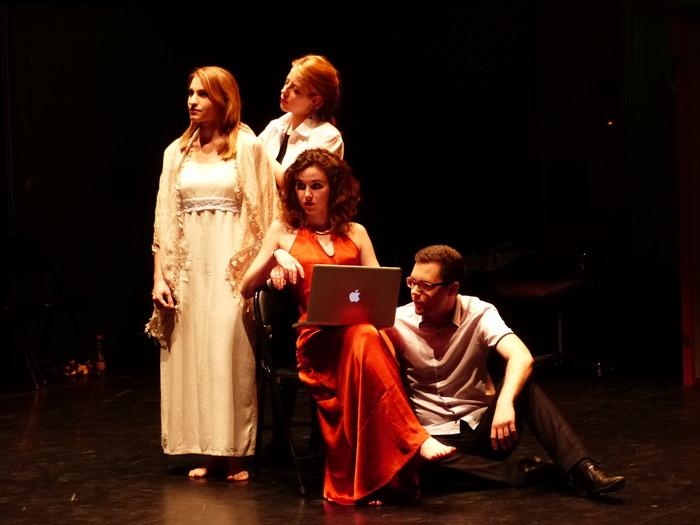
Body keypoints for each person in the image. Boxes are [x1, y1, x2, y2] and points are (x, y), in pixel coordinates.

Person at [240, 148, 455, 505]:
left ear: (334, 188)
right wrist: (276, 256)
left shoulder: (356, 232)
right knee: (366, 339)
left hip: (360, 336)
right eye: (300, 186)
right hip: (318, 342)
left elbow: (380, 287)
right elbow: (246, 287)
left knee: (366, 335)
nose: (307, 194)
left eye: (316, 186)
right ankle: (413, 440)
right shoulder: (283, 232)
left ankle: (375, 478)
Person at [384, 244, 626, 497]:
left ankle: (582, 469)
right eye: (412, 282)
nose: (414, 292)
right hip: (435, 439)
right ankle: (529, 473)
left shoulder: (479, 312)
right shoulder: (395, 321)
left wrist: (505, 403)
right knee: (413, 465)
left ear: (452, 289)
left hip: (485, 430)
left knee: (524, 386)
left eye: (425, 286)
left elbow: (521, 356)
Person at [145, 65, 279, 482]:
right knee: (192, 357)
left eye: (202, 94)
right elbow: (163, 220)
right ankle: (204, 449)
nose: (193, 101)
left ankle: (233, 452)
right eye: (190, 93)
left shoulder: (247, 147)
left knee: (228, 353)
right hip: (187, 268)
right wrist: (159, 277)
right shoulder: (176, 153)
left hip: (230, 268)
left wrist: (257, 272)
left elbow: (268, 214)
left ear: (224, 99)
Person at [258, 54, 344, 188]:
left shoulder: (329, 137)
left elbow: (297, 186)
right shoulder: (275, 126)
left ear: (315, 101)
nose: (284, 91)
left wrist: (258, 149)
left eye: (296, 90)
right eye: (286, 82)